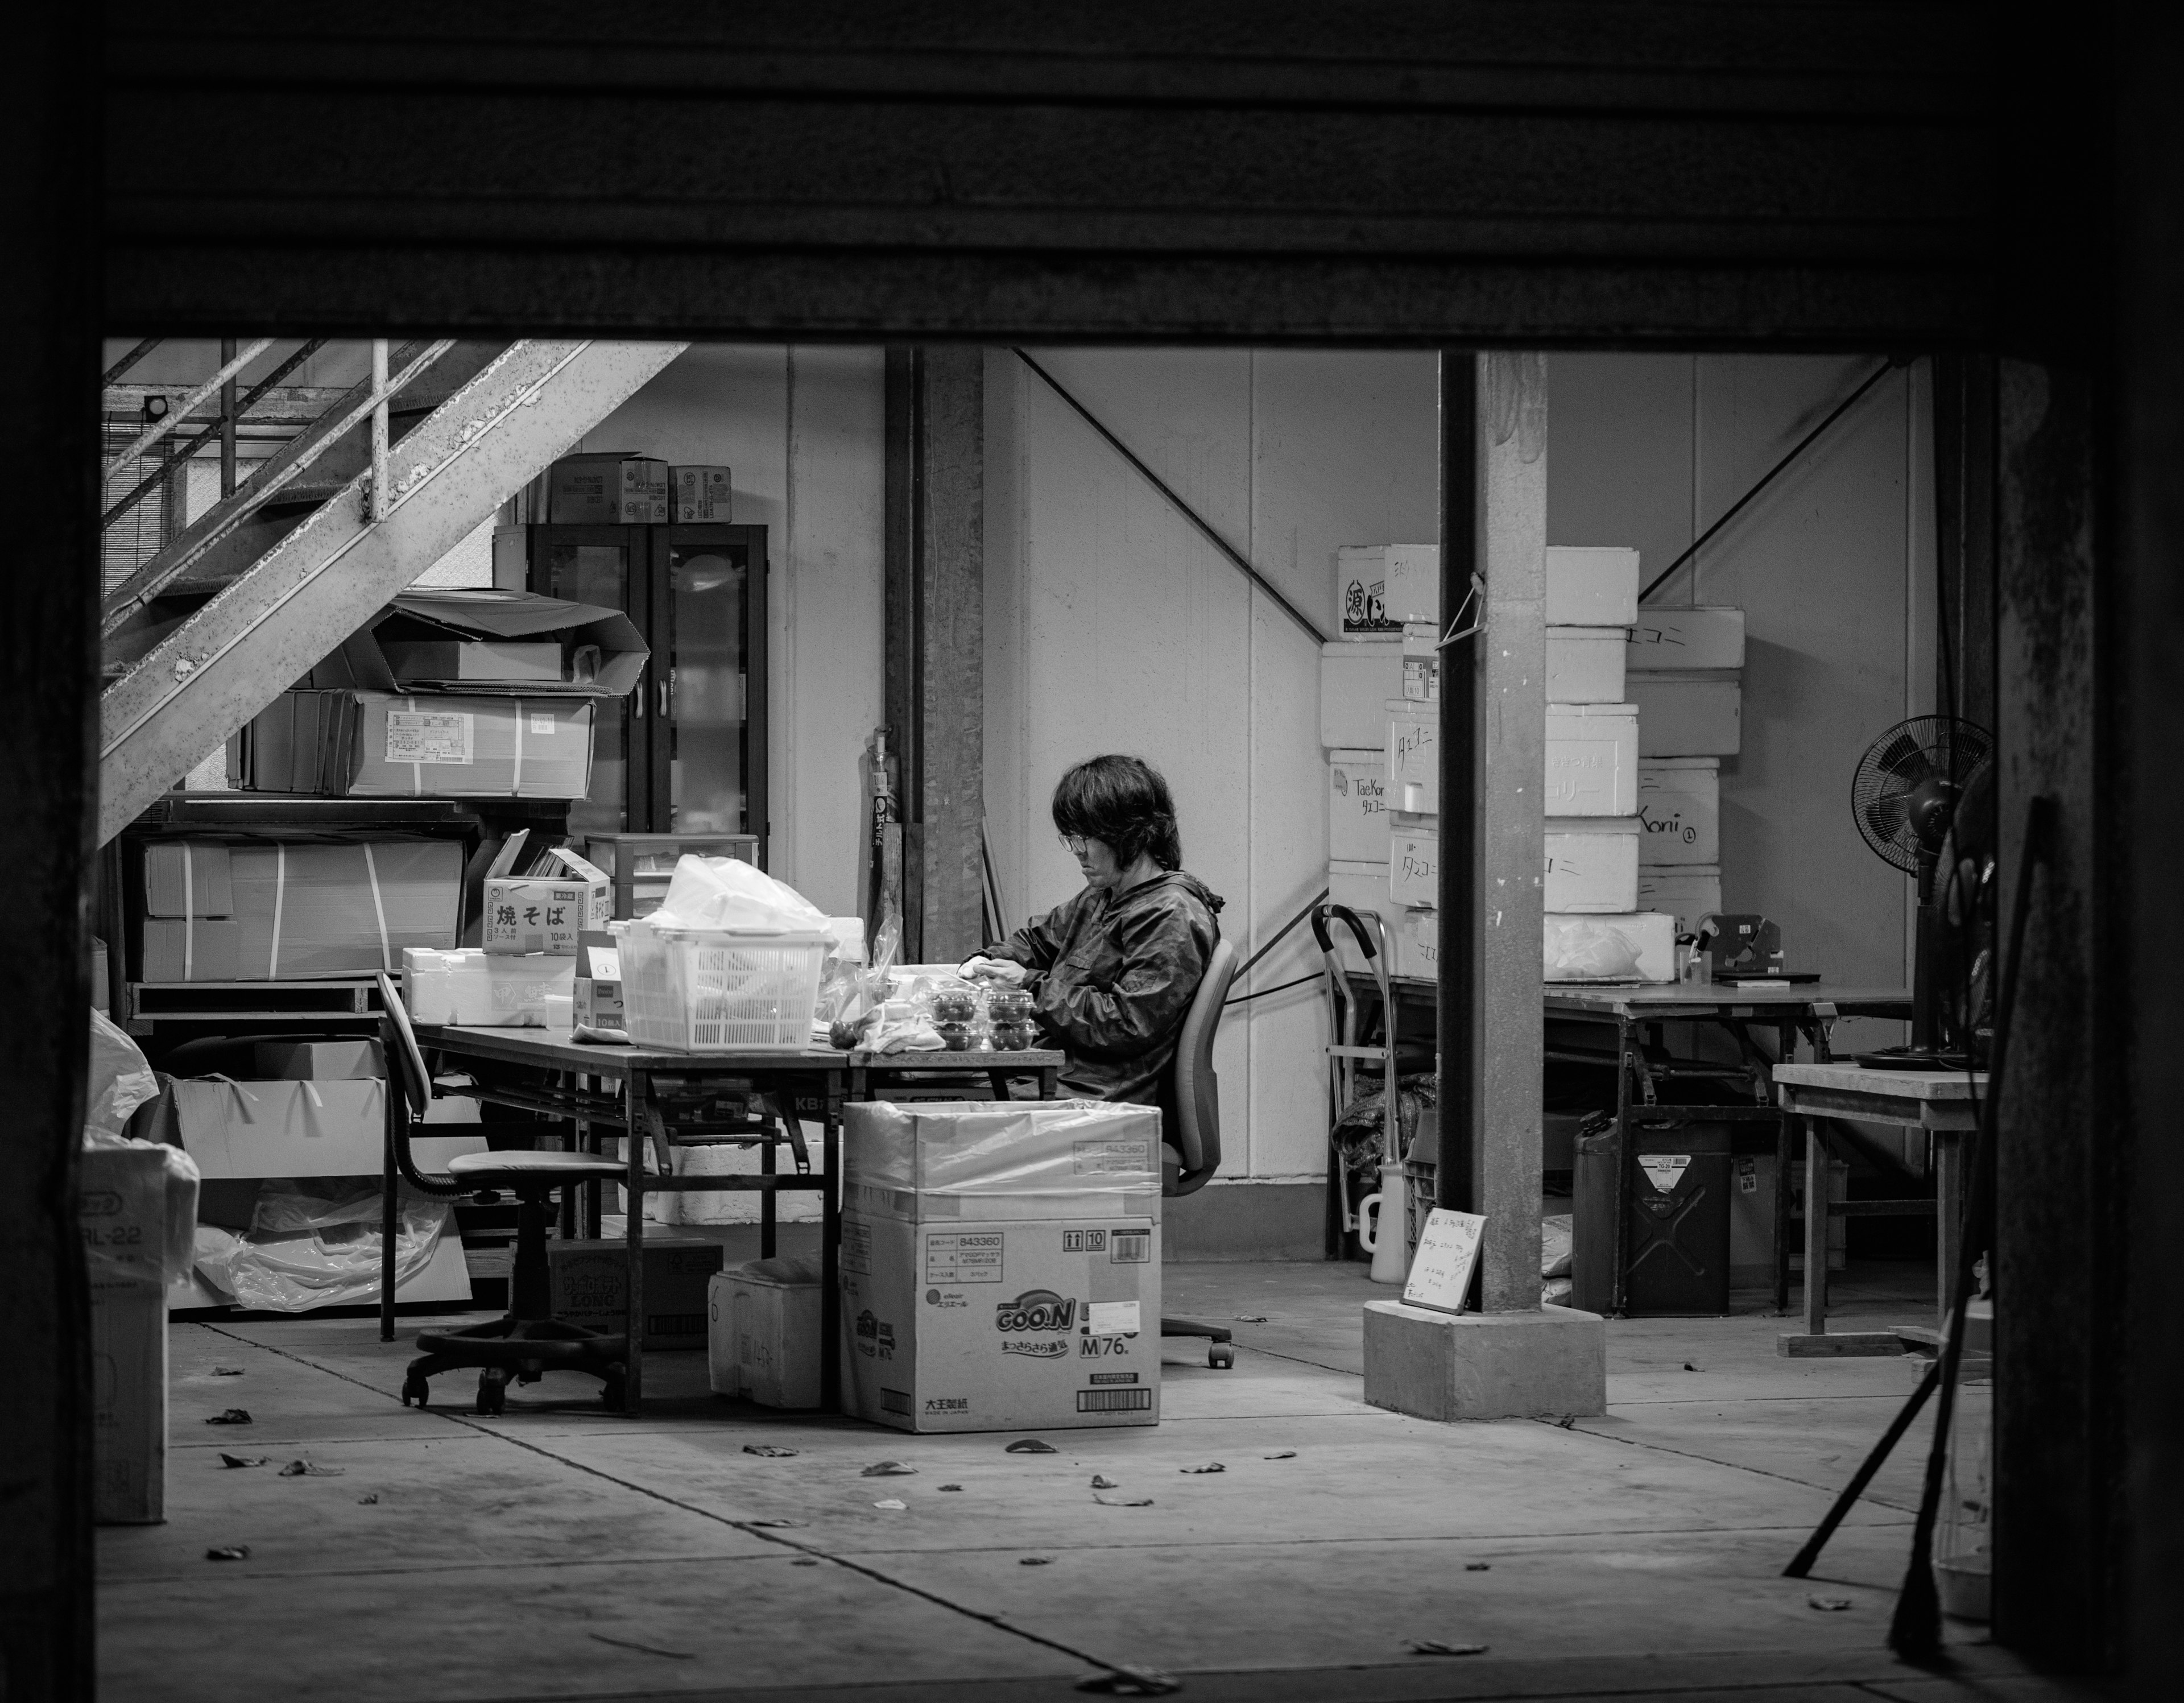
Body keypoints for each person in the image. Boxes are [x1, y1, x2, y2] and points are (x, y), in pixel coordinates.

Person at [963, 755, 1224, 1118]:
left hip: (1100, 1097)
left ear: (1131, 833)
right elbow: (1040, 940)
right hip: (1061, 1072)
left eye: (1086, 837)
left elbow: (1127, 1023)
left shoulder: (1170, 915)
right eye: (1070, 837)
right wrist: (987, 960)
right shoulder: (1104, 895)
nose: (1078, 851)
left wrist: (1029, 988)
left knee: (942, 1119)